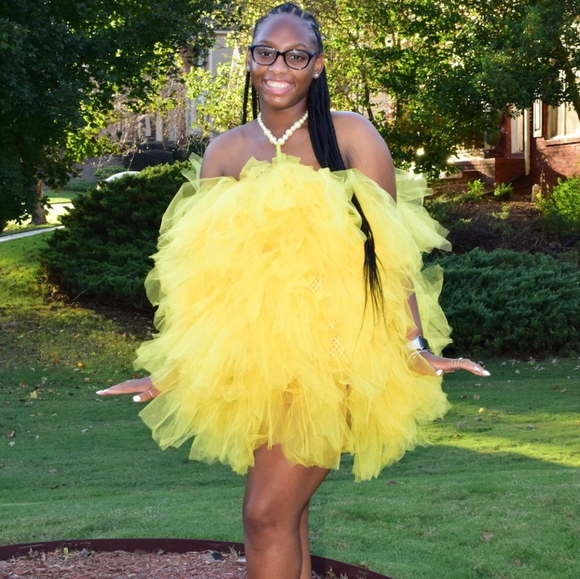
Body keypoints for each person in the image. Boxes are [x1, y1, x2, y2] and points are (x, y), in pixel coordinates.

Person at [97, 4, 490, 578]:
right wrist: (174, 369)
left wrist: (415, 346)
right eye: (266, 53)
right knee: (287, 518)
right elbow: (212, 283)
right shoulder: (225, 153)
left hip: (339, 362)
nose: (278, 67)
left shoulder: (351, 136)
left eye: (296, 56)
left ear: (317, 65)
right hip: (260, 368)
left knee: (265, 516)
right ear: (249, 59)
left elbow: (392, 253)